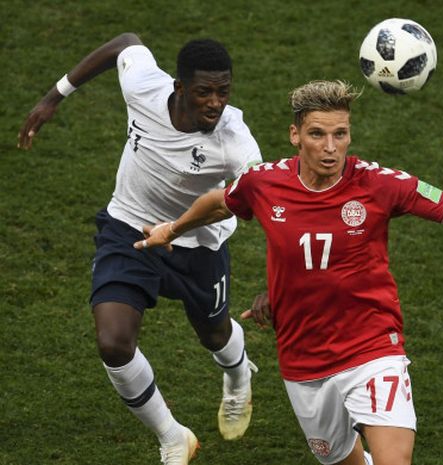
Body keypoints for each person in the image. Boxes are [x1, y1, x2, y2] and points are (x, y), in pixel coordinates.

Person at [134, 80, 443, 465]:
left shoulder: (378, 185)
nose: (330, 147)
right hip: (302, 359)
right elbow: (220, 202)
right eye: (318, 134)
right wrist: (172, 228)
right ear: (295, 135)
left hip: (372, 346)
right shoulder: (264, 183)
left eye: (340, 134)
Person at [17, 33, 262, 465]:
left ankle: (238, 373)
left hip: (198, 248)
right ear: (179, 87)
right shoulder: (145, 87)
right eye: (204, 91)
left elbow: (254, 202)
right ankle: (172, 437)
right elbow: (125, 42)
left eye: (223, 92)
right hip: (128, 227)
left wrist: (177, 227)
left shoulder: (234, 140)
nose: (215, 103)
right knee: (113, 342)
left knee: (214, 334)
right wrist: (55, 96)